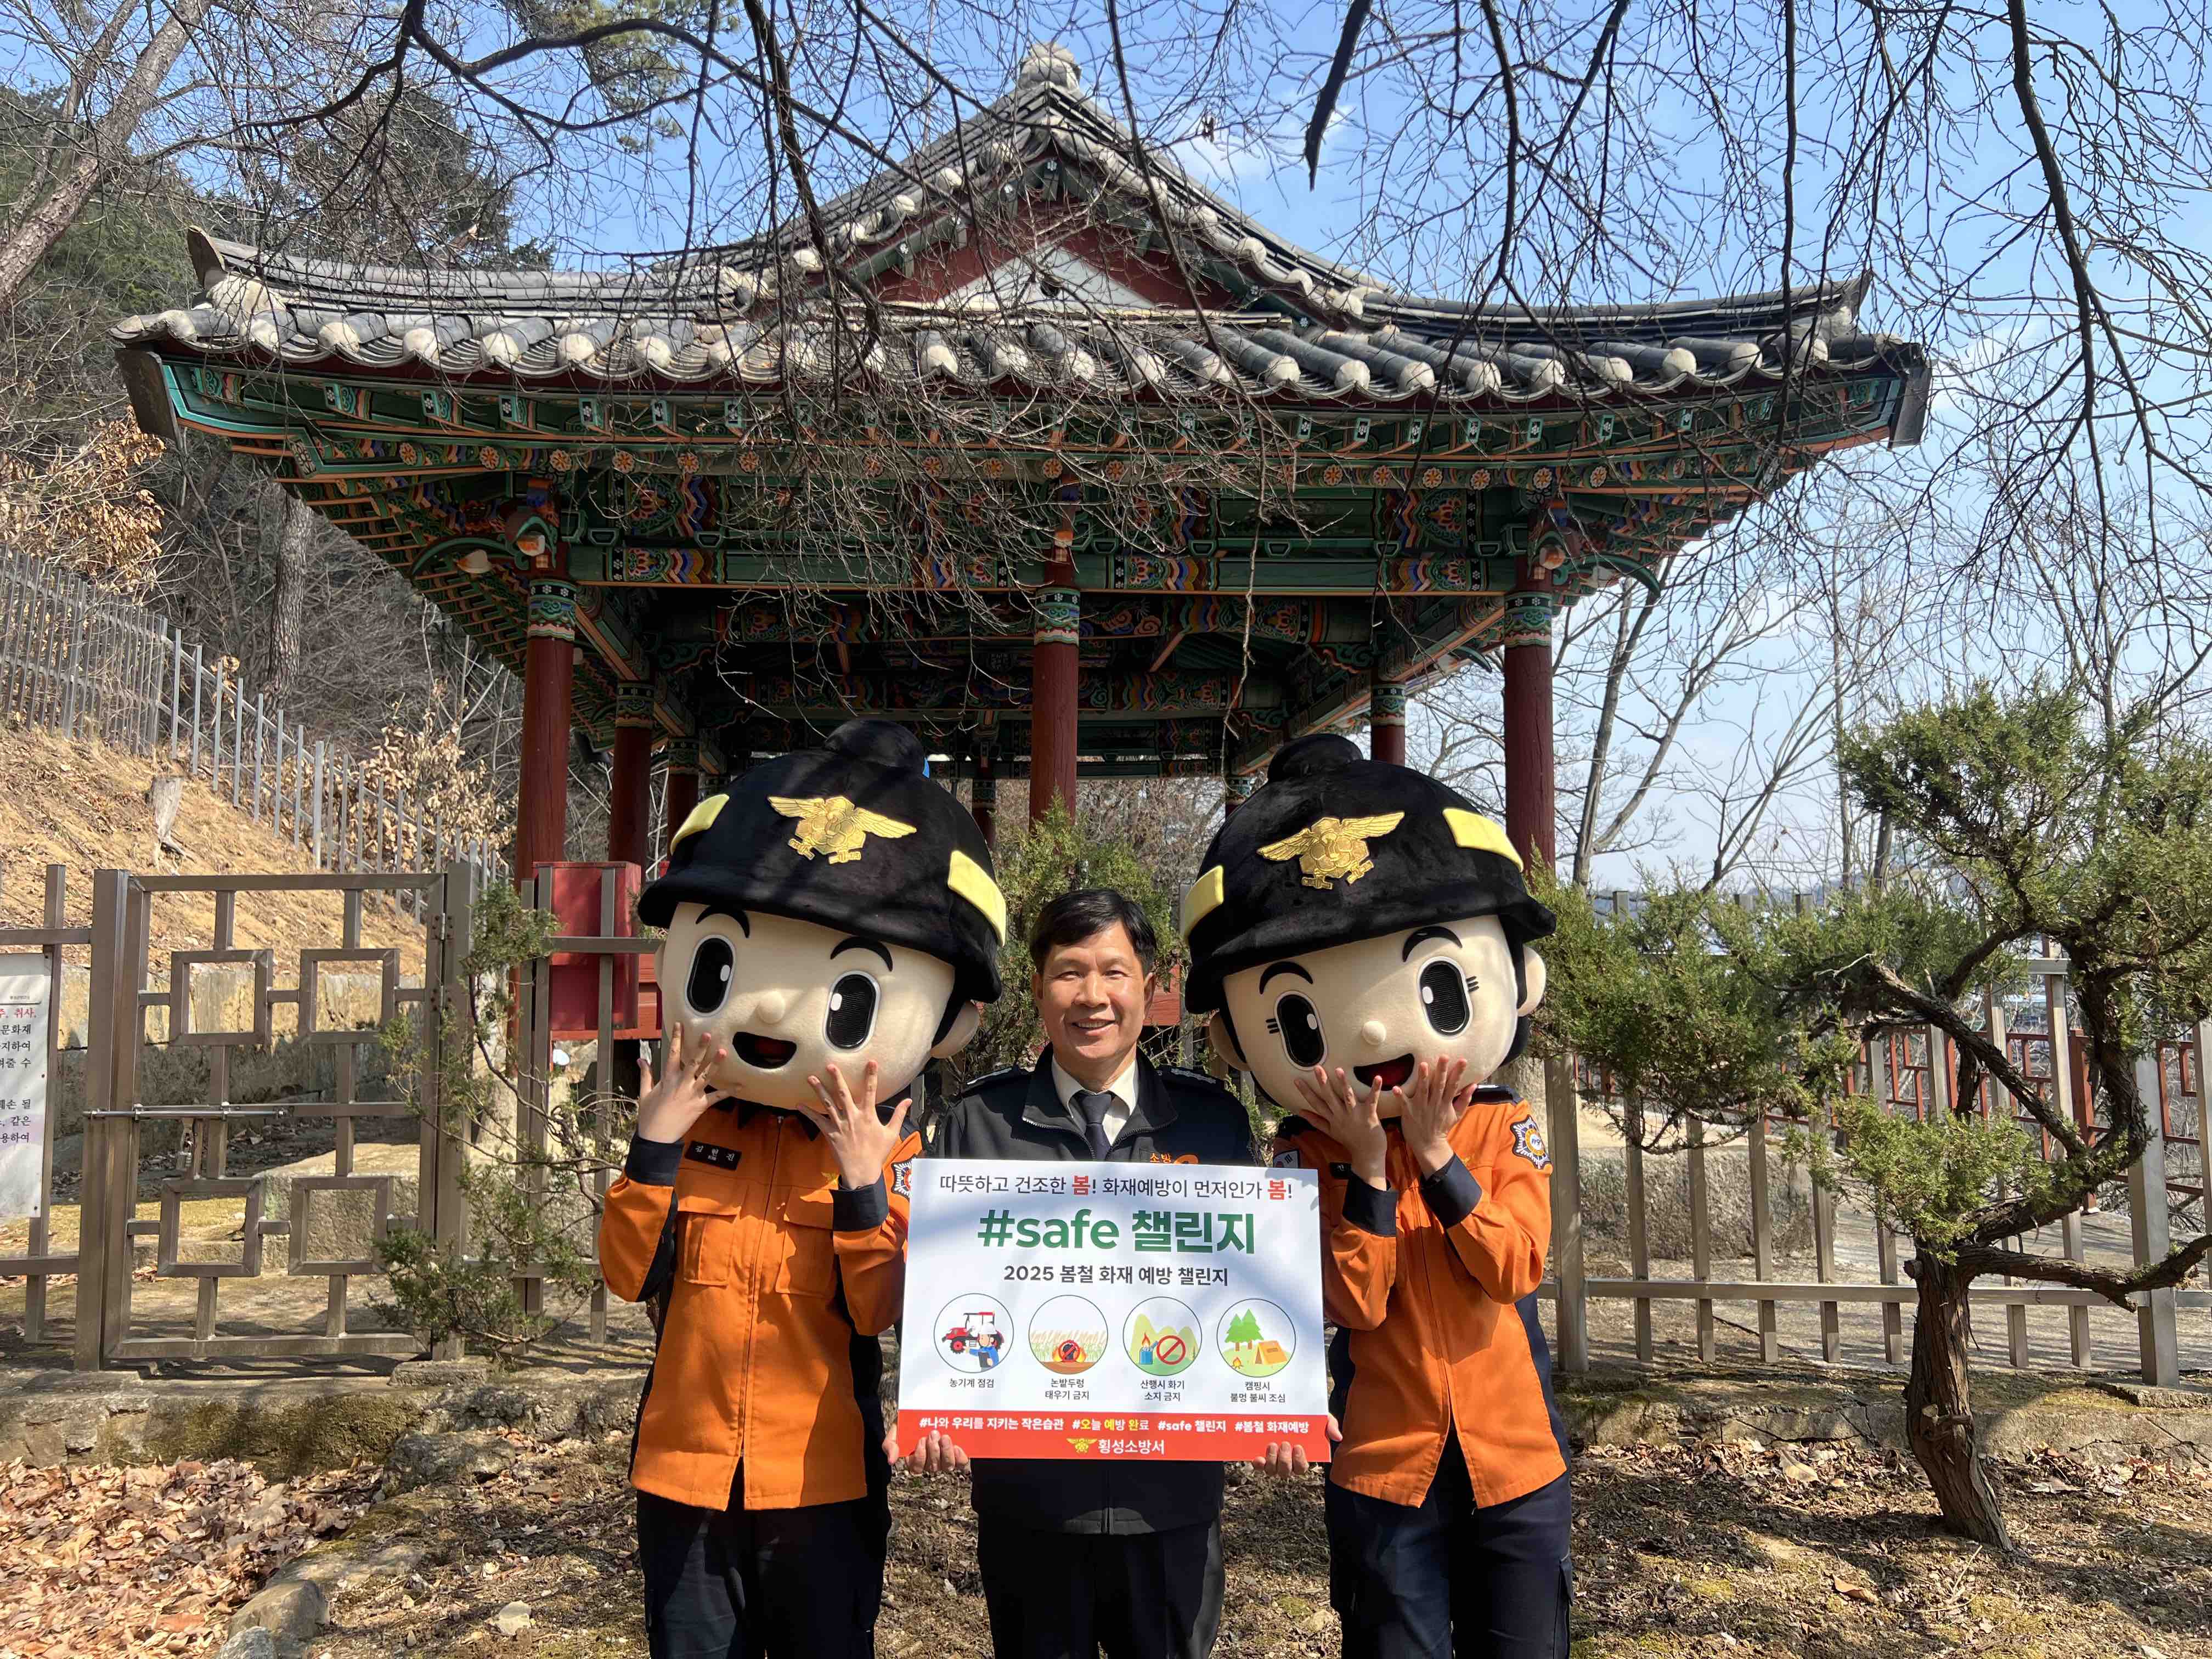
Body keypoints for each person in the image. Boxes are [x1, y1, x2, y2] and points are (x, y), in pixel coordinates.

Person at [600, 718, 1006, 1659]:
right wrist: (652, 1146)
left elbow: (879, 1313)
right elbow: (626, 1275)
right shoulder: (692, 1126)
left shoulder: (894, 1150)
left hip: (821, 1478)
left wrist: (864, 1184)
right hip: (686, 1470)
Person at [1181, 733, 1572, 1659]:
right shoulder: (1305, 1158)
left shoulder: (1500, 1126)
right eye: (1299, 1020)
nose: (1366, 1033)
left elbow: (1514, 1267)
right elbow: (1350, 1304)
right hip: (1382, 1462)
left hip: (1514, 1454)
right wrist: (1365, 1171)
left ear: (1517, 979)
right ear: (1237, 1041)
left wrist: (1435, 1158)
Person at [906, 888, 1260, 1659]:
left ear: (1150, 986)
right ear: (1038, 989)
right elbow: (937, 1292)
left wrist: (1279, 1408)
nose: (1092, 996)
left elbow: (1255, 1290)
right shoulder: (978, 1124)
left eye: (1114, 972)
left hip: (1170, 1500)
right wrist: (934, 1402)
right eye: (1069, 973)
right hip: (1031, 1502)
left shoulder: (1214, 1125)